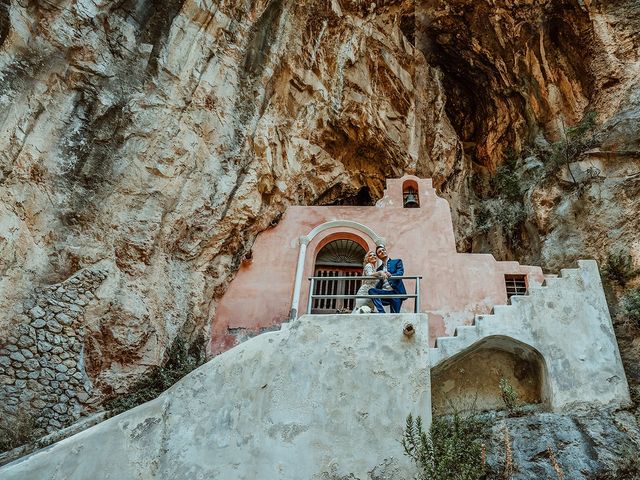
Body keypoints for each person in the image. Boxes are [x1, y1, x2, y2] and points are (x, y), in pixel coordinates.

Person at [368, 245, 406, 313]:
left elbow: (400, 273)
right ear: (378, 257)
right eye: (379, 252)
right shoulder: (379, 269)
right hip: (384, 293)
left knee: (394, 315)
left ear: (386, 251)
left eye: (383, 250)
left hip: (396, 293)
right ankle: (382, 312)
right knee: (372, 291)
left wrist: (391, 275)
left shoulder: (397, 261)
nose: (382, 252)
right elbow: (378, 283)